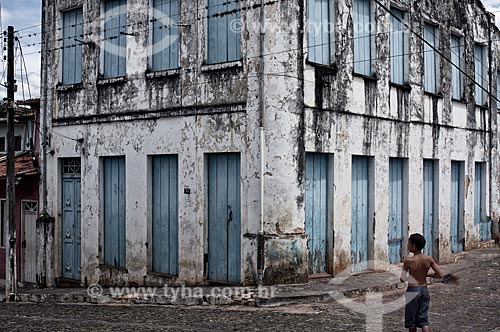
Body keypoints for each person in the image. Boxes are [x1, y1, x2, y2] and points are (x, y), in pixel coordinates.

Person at [400, 233, 444, 332]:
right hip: (424, 289)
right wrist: (427, 275)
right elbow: (440, 274)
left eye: (409, 244)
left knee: (412, 321)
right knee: (423, 319)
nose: (407, 246)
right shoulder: (428, 259)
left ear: (413, 246)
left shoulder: (408, 260)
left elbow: (402, 278)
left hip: (412, 290)